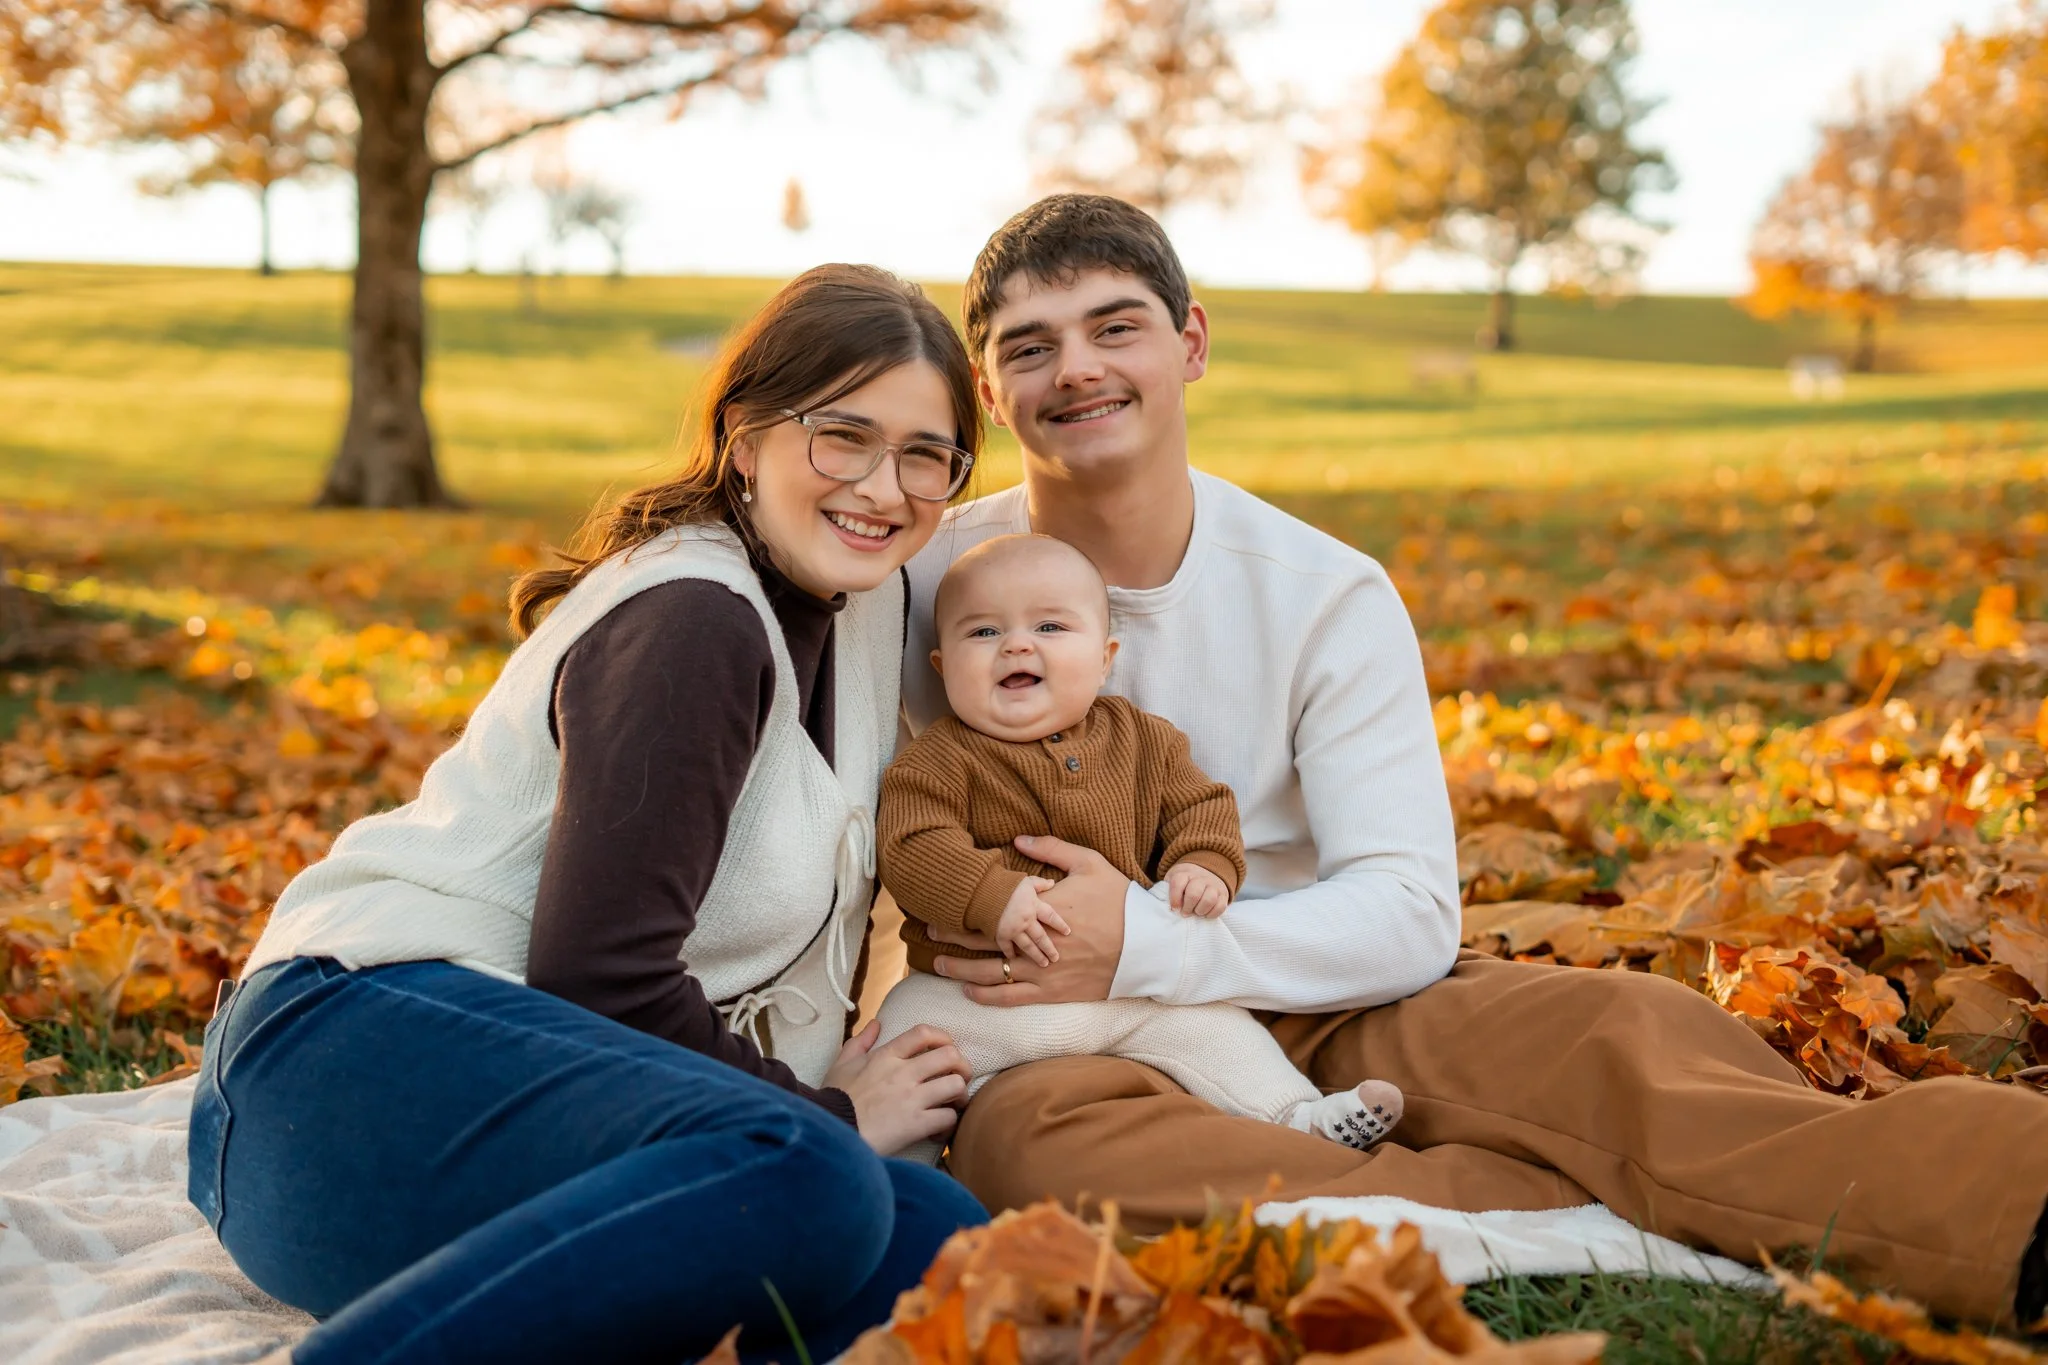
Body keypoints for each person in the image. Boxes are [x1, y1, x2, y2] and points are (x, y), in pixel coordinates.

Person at [894, 194, 2048, 1331]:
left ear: (1189, 343)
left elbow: (1403, 909)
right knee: (1029, 1154)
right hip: (1053, 1031)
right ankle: (1600, 1222)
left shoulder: (1321, 593)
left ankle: (2002, 1203)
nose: (1077, 369)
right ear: (991, 392)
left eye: (1115, 326)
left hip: (1318, 988)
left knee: (1621, 1036)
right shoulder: (917, 588)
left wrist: (1148, 940)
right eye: (1030, 349)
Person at [188, 264, 989, 1365]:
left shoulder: (866, 605)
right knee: (816, 1172)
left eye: (922, 455)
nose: (882, 487)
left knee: (944, 1248)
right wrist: (831, 1116)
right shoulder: (696, 622)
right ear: (744, 440)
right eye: (840, 436)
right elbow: (602, 975)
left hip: (575, 1132)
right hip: (344, 1065)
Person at [872, 532, 1402, 1162]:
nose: (1016, 644)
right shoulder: (940, 758)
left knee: (1220, 1031)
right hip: (976, 997)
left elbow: (1200, 808)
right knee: (906, 1046)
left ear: (1104, 658)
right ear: (942, 665)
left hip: (1132, 997)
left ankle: (1296, 1117)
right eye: (982, 633)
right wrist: (991, 894)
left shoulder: (1145, 742)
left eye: (1049, 625)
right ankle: (896, 1175)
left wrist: (1203, 864)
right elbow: (911, 843)